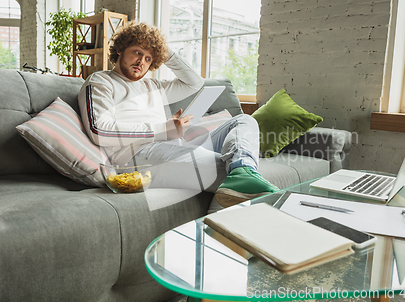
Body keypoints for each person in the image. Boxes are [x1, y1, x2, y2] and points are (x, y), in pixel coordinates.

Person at [78, 21, 278, 210]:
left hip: (175, 146)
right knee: (225, 169)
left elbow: (194, 83)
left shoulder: (153, 85)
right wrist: (163, 130)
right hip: (137, 158)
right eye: (137, 52)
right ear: (120, 49)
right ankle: (223, 220)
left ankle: (243, 169)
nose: (141, 61)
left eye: (148, 58)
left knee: (244, 121)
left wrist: (163, 51)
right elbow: (99, 131)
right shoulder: (101, 81)